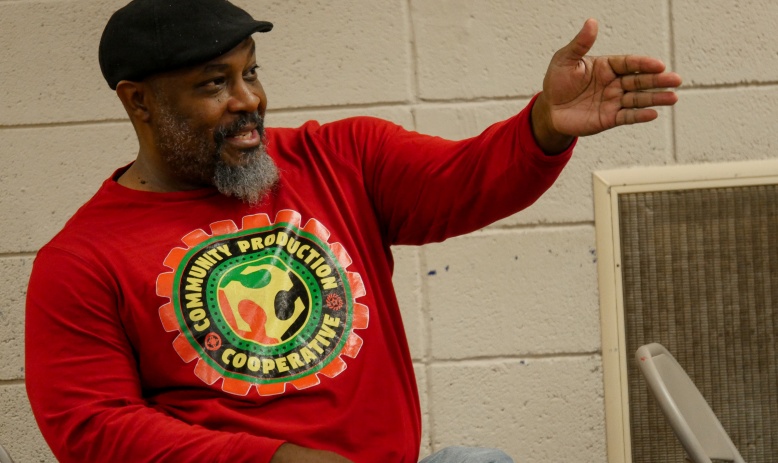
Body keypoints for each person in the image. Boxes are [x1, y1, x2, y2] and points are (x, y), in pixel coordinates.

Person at [24, 0, 681, 462]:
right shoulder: (80, 260)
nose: (248, 99)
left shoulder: (338, 157)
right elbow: (93, 428)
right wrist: (275, 459)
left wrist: (542, 124)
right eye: (213, 84)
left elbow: (460, 181)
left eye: (249, 72)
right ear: (139, 101)